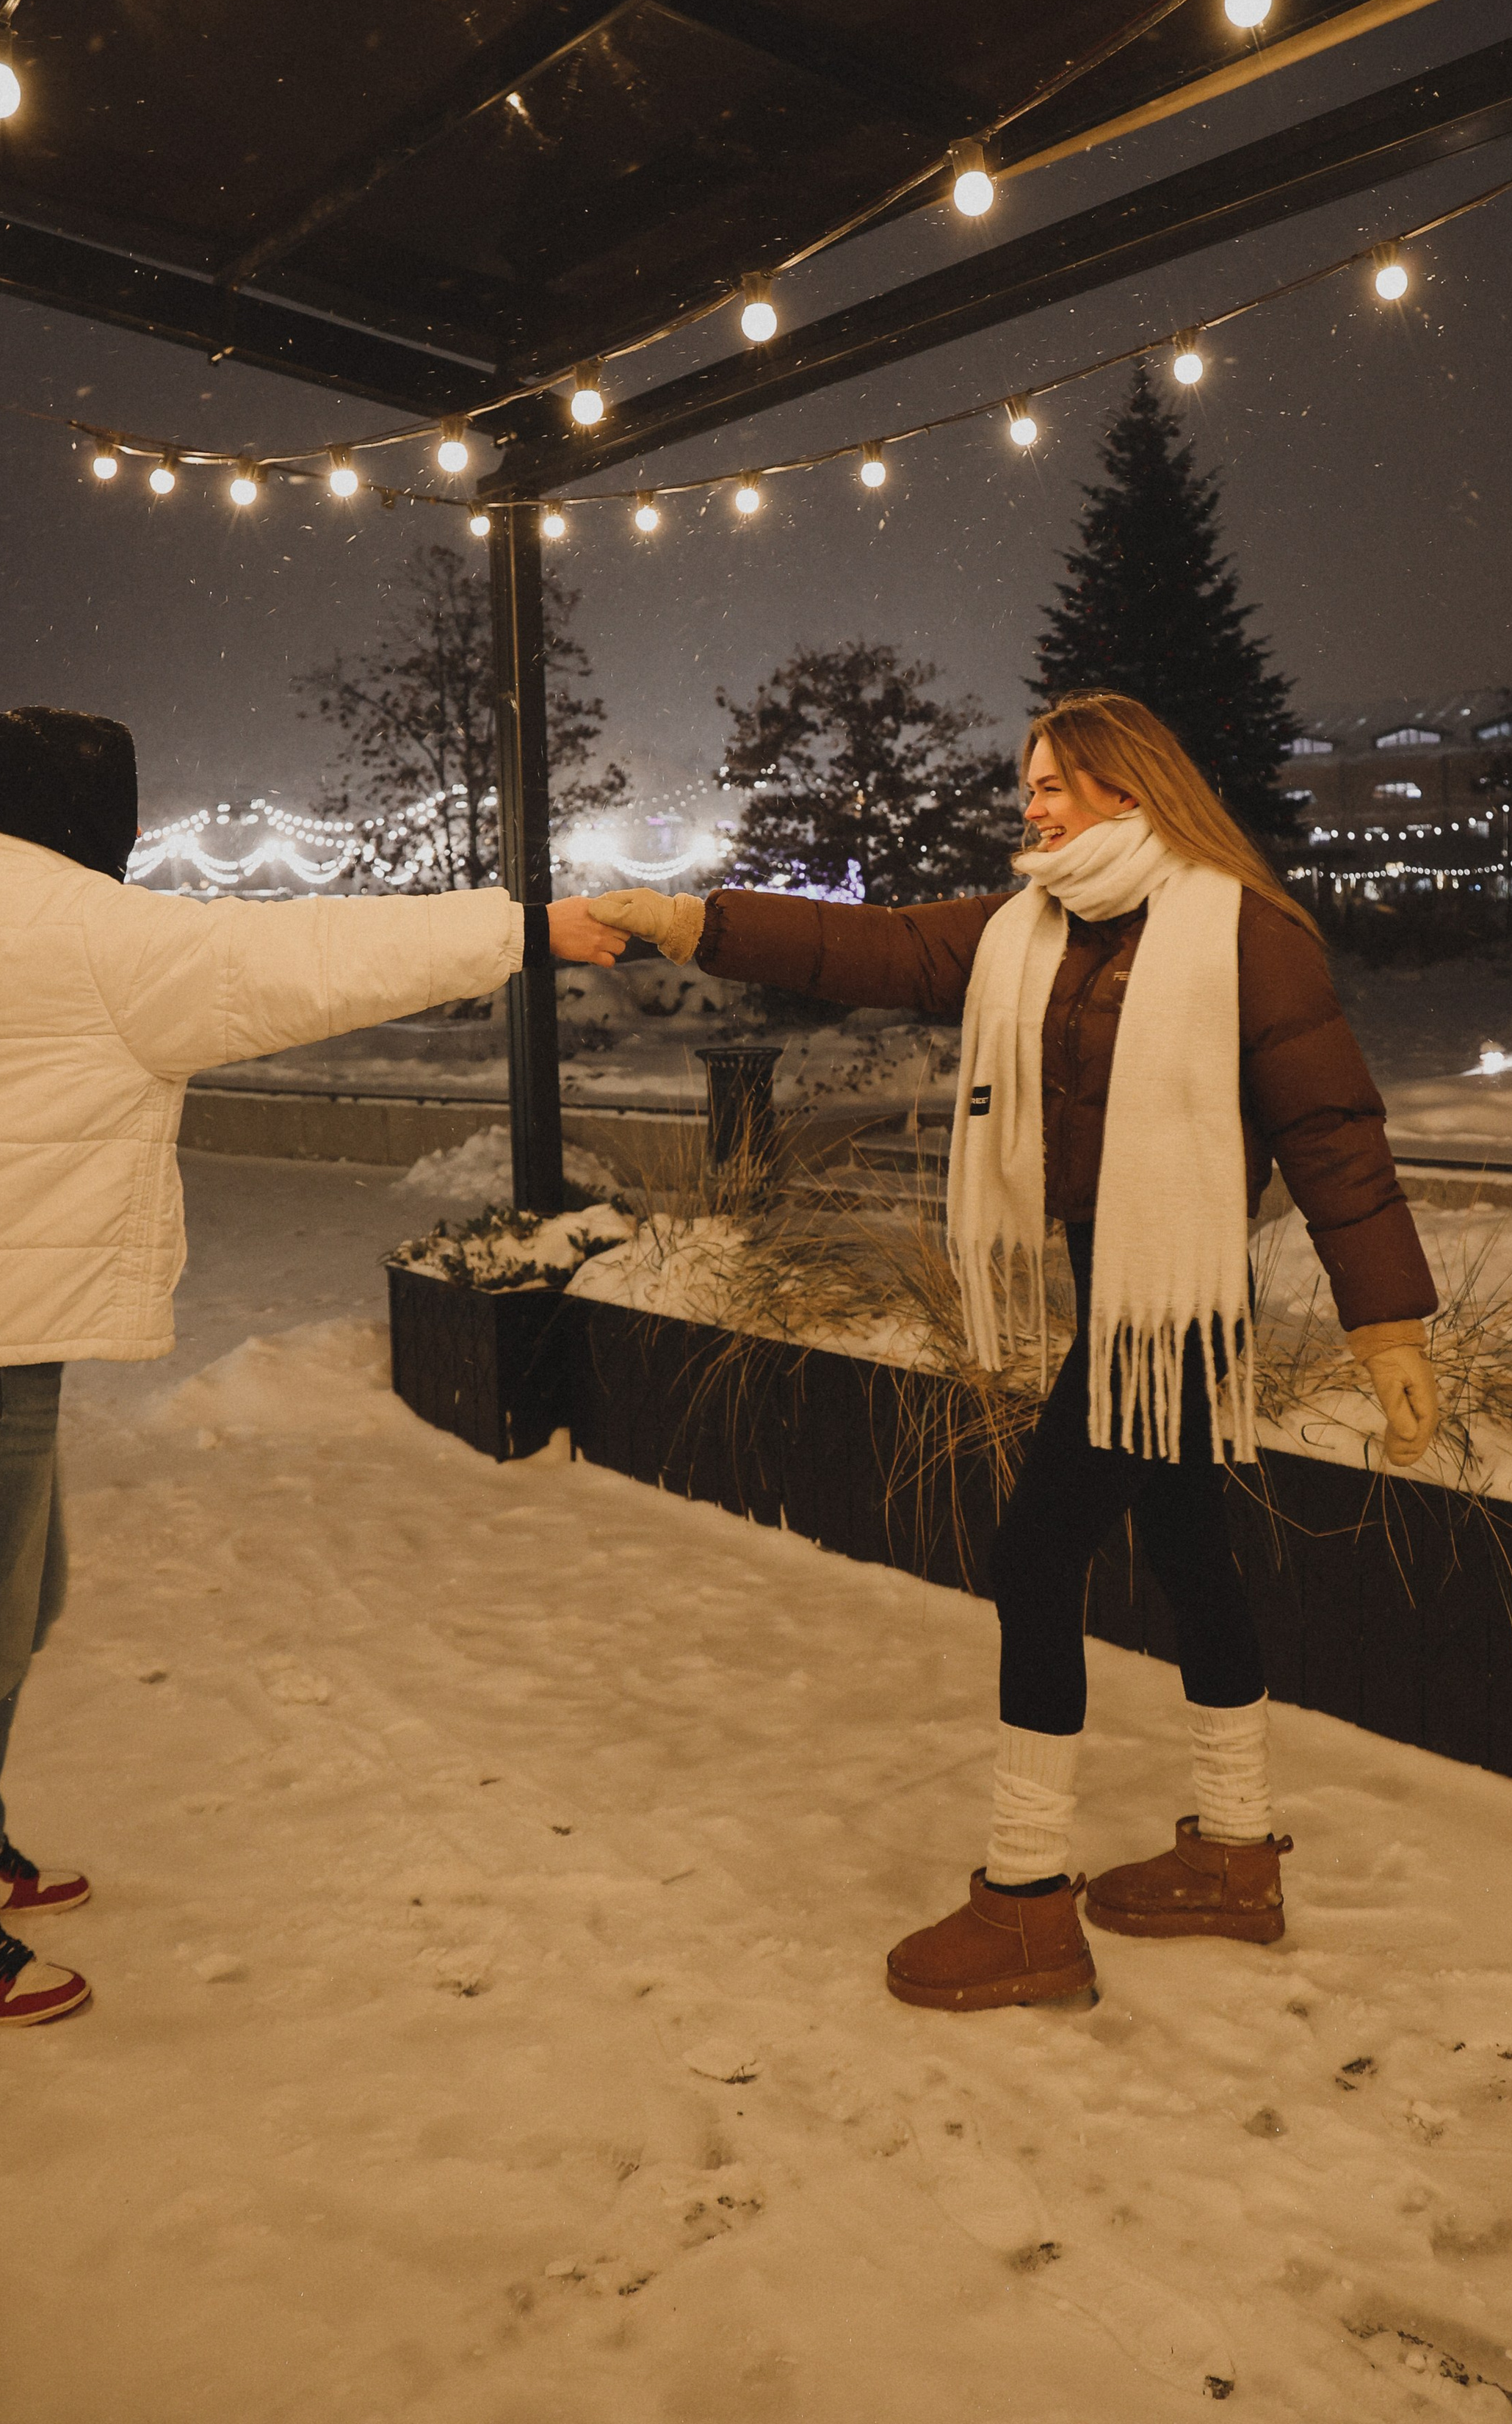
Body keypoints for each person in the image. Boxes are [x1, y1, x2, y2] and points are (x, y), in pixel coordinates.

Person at [590, 689, 1439, 2014]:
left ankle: (1030, 1902)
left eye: (1053, 784)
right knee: (1187, 1545)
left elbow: (1331, 1125)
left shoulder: (1244, 935)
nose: (1030, 805)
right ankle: (1234, 1854)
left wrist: (1387, 1321)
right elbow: (859, 950)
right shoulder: (1031, 926)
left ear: (1130, 791)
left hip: (1177, 1300)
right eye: (1028, 782)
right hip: (1124, 1289)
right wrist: (687, 919)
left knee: (1035, 1552)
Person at [0, 706, 622, 2026]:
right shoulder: (105, 940)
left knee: (17, 1604)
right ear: (91, 817)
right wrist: (525, 926)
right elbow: (312, 954)